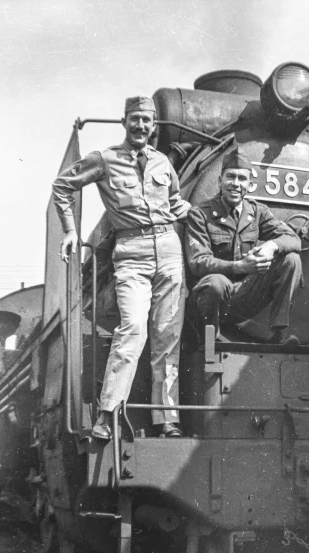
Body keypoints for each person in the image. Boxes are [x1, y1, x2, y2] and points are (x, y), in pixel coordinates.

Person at [53, 96, 189, 439]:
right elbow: (62, 186)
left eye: (147, 120)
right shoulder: (105, 159)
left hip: (170, 252)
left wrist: (185, 208)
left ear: (154, 124)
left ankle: (166, 419)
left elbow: (173, 201)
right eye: (134, 119)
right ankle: (107, 414)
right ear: (124, 121)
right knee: (133, 330)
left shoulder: (162, 163)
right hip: (131, 252)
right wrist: (70, 230)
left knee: (167, 339)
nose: (141, 126)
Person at [185, 147, 302, 345]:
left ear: (249, 184)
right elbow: (198, 262)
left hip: (244, 296)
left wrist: (271, 246)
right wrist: (240, 266)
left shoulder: (257, 212)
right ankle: (208, 343)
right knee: (216, 282)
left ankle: (279, 335)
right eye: (231, 177)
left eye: (242, 179)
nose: (236, 184)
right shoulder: (200, 214)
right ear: (220, 180)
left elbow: (293, 239)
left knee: (292, 259)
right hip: (209, 300)